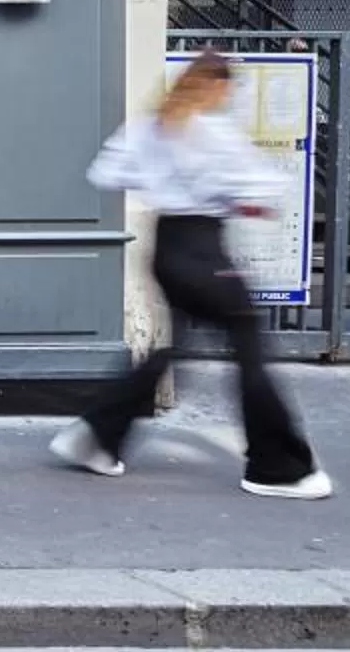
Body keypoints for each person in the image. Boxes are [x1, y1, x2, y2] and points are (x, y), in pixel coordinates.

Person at [50, 51, 331, 498]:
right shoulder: (215, 133)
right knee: (249, 346)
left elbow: (105, 172)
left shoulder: (147, 128)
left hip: (166, 247)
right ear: (218, 87)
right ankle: (279, 467)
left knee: (175, 347)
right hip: (205, 249)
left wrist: (164, 182)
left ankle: (97, 434)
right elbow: (262, 191)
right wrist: (240, 200)